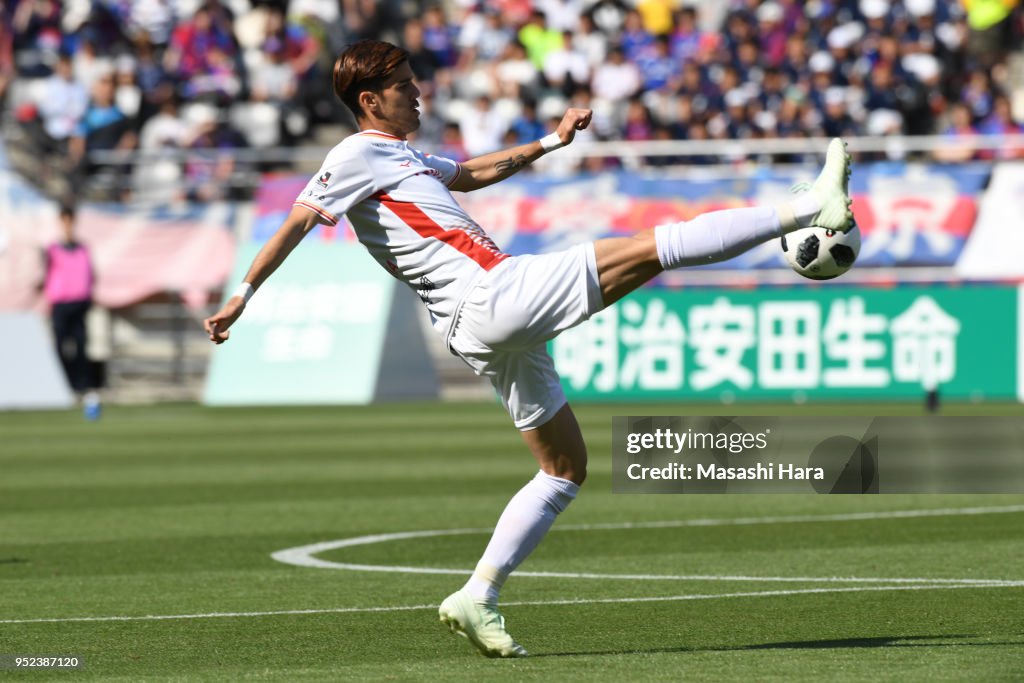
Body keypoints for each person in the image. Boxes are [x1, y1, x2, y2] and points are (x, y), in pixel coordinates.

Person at [203, 40, 853, 658]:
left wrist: (549, 141)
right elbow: (297, 219)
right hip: (492, 293)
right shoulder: (354, 154)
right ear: (371, 100)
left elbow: (473, 171)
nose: (417, 93)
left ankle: (476, 595)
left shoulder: (402, 157)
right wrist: (243, 292)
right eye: (403, 86)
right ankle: (803, 211)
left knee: (564, 467)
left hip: (474, 321)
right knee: (657, 246)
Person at [43, 205, 94, 396]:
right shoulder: (52, 249)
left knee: (80, 345)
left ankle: (80, 385)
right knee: (59, 346)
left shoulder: (83, 248)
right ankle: (60, 385)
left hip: (79, 302)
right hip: (60, 304)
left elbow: (89, 274)